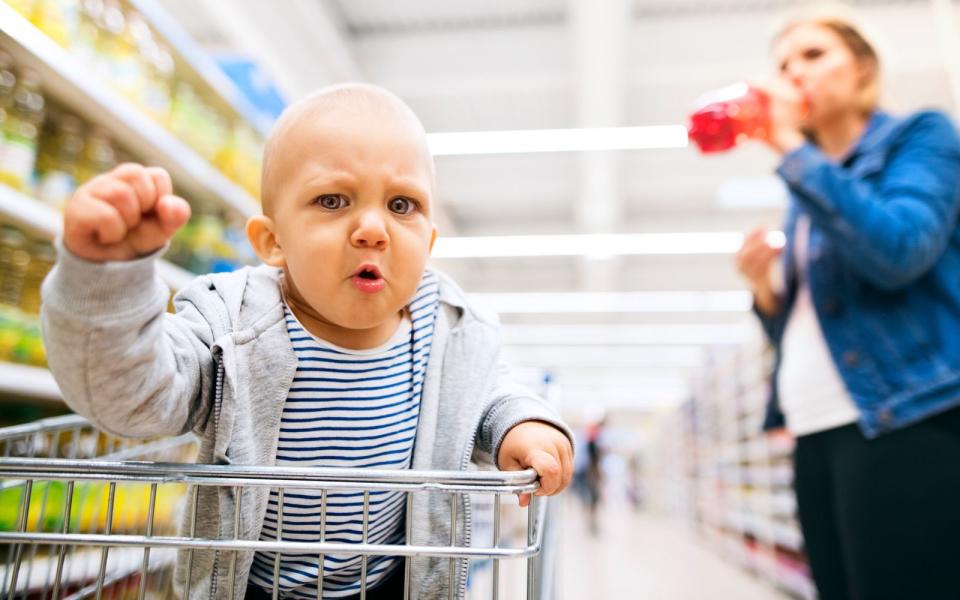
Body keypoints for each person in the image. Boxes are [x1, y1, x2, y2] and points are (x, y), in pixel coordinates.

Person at [40, 84, 575, 600]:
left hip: (391, 583)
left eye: (402, 206)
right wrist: (106, 281)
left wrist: (522, 424)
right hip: (249, 585)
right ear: (273, 241)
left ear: (429, 242)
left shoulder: (448, 336)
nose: (373, 229)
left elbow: (486, 397)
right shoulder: (231, 327)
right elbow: (133, 394)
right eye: (333, 199)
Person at [735, 7, 960, 599]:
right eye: (783, 64)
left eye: (813, 55)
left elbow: (899, 251)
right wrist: (764, 291)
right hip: (816, 428)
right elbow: (810, 323)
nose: (793, 73)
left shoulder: (920, 136)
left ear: (862, 68)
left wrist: (786, 141)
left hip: (904, 419)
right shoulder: (808, 186)